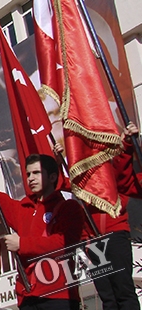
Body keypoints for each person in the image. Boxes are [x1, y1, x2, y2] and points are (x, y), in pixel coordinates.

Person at [0, 141, 84, 309]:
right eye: (28, 174)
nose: (30, 178)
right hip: (27, 295)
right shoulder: (22, 209)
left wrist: (22, 244)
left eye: (36, 173)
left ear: (52, 177)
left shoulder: (69, 208)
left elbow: (65, 243)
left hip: (58, 294)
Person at [83, 122, 141, 310]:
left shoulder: (114, 167)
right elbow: (63, 184)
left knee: (123, 291)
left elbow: (123, 177)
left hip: (114, 234)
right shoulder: (86, 170)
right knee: (107, 297)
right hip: (92, 239)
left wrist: (127, 145)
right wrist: (57, 165)